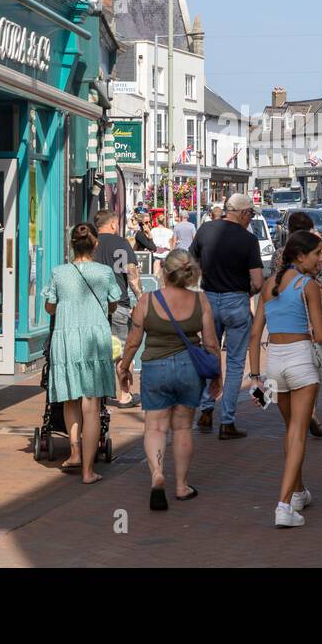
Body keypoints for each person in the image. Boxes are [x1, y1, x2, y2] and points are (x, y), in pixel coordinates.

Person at [117, 249, 221, 510]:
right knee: (183, 427)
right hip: (190, 369)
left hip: (155, 368)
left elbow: (132, 342)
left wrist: (125, 368)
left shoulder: (147, 301)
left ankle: (157, 474)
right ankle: (182, 485)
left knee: (155, 427)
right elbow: (211, 343)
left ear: (164, 271)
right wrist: (217, 375)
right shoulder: (201, 301)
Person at [248, 231, 322, 527]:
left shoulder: (269, 285)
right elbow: (321, 334)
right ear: (300, 256)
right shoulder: (308, 285)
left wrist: (255, 375)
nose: (319, 259)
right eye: (316, 254)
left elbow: (256, 332)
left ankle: (298, 492)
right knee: (298, 433)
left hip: (274, 363)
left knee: (289, 431)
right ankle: (283, 505)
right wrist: (313, 333)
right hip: (300, 359)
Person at [42, 223, 121, 484]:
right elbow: (113, 304)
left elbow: (50, 307)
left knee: (70, 399)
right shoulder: (105, 272)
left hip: (66, 338)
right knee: (92, 405)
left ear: (71, 245)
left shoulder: (58, 272)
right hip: (94, 338)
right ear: (95, 244)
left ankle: (74, 453)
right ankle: (88, 470)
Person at [189, 192, 265, 438]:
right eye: (250, 214)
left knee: (210, 356)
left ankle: (206, 408)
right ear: (243, 213)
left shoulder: (205, 230)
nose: (250, 219)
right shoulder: (248, 240)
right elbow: (257, 281)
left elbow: (191, 265)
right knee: (234, 363)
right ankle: (227, 421)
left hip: (209, 299)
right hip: (236, 301)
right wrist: (244, 292)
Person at [273, 211, 322, 438]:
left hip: (285, 320)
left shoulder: (280, 255)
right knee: (313, 364)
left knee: (287, 368)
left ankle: (297, 417)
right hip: (312, 314)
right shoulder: (318, 257)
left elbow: (274, 287)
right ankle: (310, 411)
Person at [92, 209, 143, 409]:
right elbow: (132, 274)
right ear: (113, 224)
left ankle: (98, 394)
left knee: (96, 349)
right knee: (122, 351)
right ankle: (124, 395)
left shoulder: (90, 243)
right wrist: (140, 297)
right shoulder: (121, 243)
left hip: (94, 305)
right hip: (119, 304)